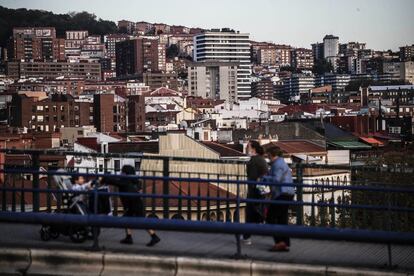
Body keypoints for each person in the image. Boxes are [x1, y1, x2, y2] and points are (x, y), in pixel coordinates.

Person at [107, 165, 160, 247]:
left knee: (141, 221)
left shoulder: (125, 181)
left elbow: (114, 182)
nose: (121, 173)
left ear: (125, 173)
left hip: (133, 204)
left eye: (122, 172)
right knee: (128, 219)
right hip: (135, 203)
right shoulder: (133, 180)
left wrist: (104, 178)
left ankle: (154, 236)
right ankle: (129, 237)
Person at [263, 146, 295, 252]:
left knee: (271, 217)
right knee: (282, 219)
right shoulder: (281, 163)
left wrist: (264, 178)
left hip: (283, 194)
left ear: (272, 155)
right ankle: (284, 242)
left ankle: (280, 242)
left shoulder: (277, 164)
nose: (267, 157)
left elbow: (276, 179)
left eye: (268, 155)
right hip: (286, 193)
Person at [242, 140, 268, 245]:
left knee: (250, 213)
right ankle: (248, 235)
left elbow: (252, 178)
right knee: (255, 212)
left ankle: (247, 237)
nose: (246, 148)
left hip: (254, 190)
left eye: (248, 147)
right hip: (261, 190)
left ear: (253, 149)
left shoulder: (253, 161)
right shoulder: (261, 160)